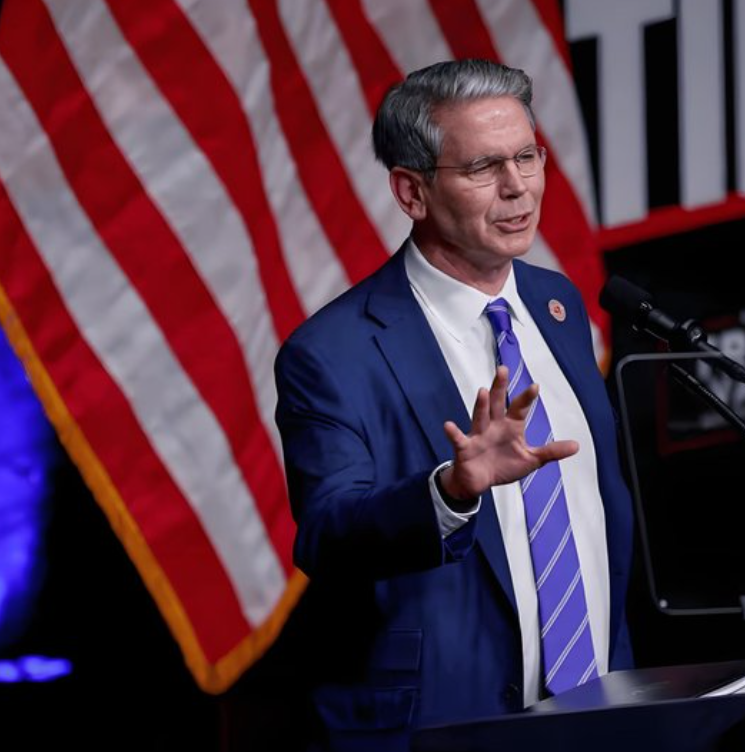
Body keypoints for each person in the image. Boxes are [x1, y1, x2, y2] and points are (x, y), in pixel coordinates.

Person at [274, 59, 634, 751]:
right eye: (483, 168)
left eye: (527, 156)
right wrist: (449, 491)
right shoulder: (334, 352)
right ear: (412, 193)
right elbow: (327, 534)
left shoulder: (556, 304)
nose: (518, 186)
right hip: (446, 723)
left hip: (599, 713)